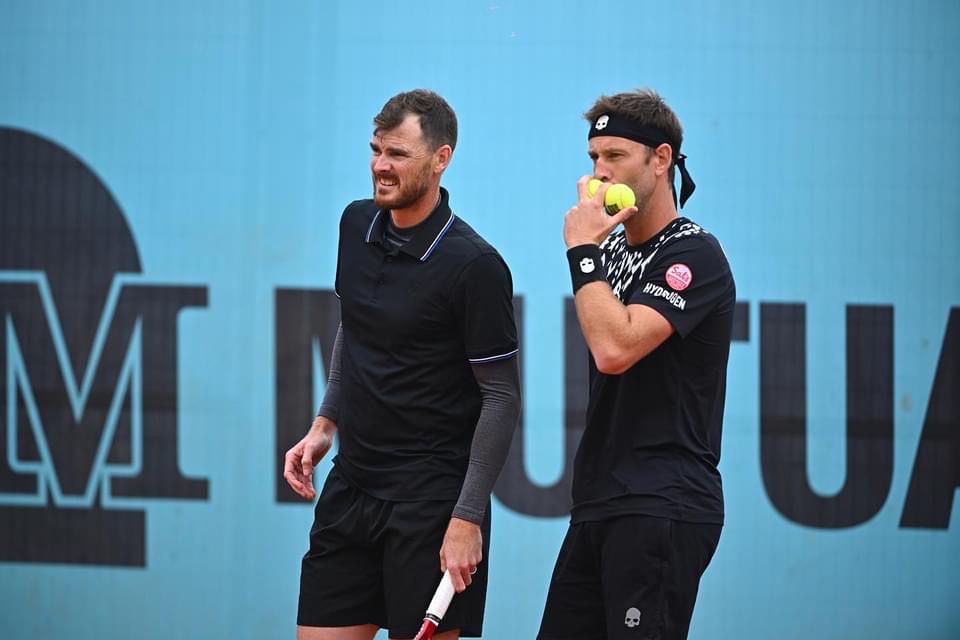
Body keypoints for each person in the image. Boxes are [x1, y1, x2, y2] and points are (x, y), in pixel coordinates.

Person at [284, 89, 521, 640]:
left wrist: (467, 517)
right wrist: (325, 423)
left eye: (397, 154)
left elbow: (501, 397)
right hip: (351, 490)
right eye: (376, 150)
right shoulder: (355, 224)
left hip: (432, 508)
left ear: (441, 160)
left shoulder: (476, 266)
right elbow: (355, 326)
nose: (380, 166)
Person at [537, 89, 735, 640]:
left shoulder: (694, 254)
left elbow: (614, 350)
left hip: (662, 502)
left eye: (615, 156)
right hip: (599, 499)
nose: (598, 172)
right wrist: (593, 252)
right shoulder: (611, 251)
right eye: (593, 157)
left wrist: (581, 251)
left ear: (661, 159)